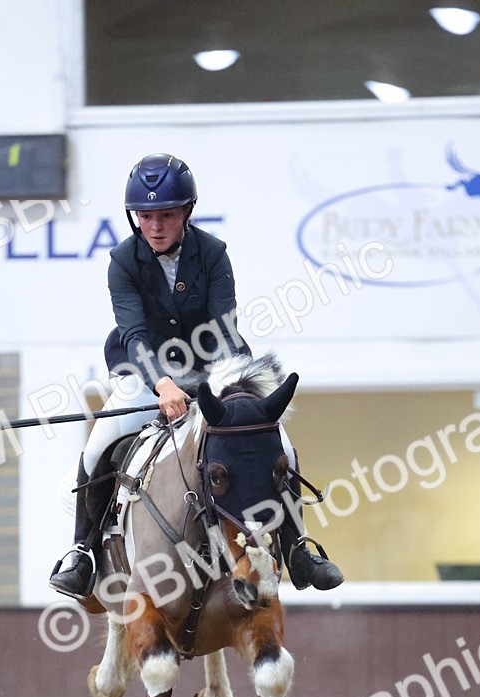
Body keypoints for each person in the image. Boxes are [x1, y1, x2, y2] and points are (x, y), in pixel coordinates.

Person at [49, 152, 343, 598]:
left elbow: (223, 329)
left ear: (185, 211)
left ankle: (298, 546)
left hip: (215, 368)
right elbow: (133, 331)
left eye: (166, 215)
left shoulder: (213, 253)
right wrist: (162, 384)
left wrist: (217, 390)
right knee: (96, 447)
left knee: (278, 442)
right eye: (145, 216)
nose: (155, 226)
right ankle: (82, 552)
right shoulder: (123, 262)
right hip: (143, 372)